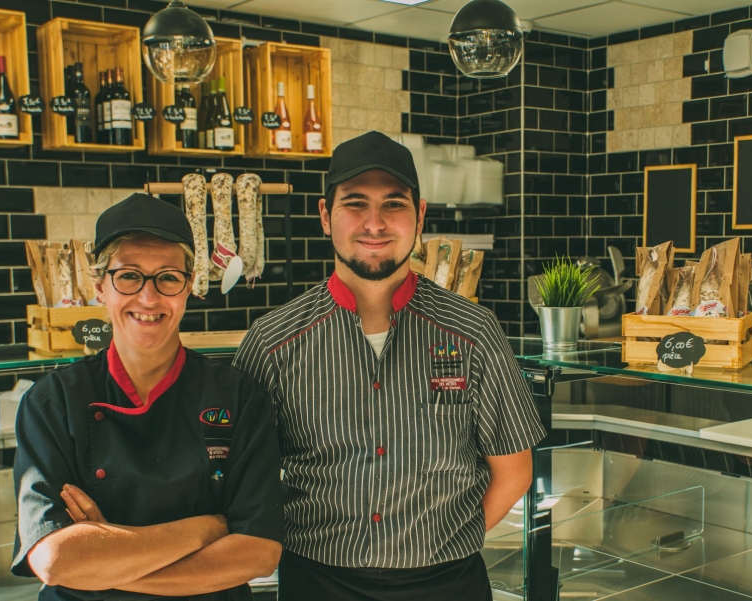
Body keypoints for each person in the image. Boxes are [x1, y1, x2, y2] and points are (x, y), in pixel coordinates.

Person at [233, 131, 545, 600]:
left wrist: (443, 541)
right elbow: (242, 481)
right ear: (325, 216)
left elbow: (515, 471)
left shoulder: (474, 331)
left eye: (394, 204)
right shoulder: (273, 341)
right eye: (355, 203)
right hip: (317, 583)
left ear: (419, 217)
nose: (374, 223)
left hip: (447, 584)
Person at [11, 193, 283, 600]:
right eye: (129, 276)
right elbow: (55, 560)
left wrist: (102, 559)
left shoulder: (239, 396)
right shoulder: (53, 402)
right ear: (99, 285)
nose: (149, 298)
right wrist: (208, 527)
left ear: (189, 286)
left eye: (168, 277)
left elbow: (257, 554)